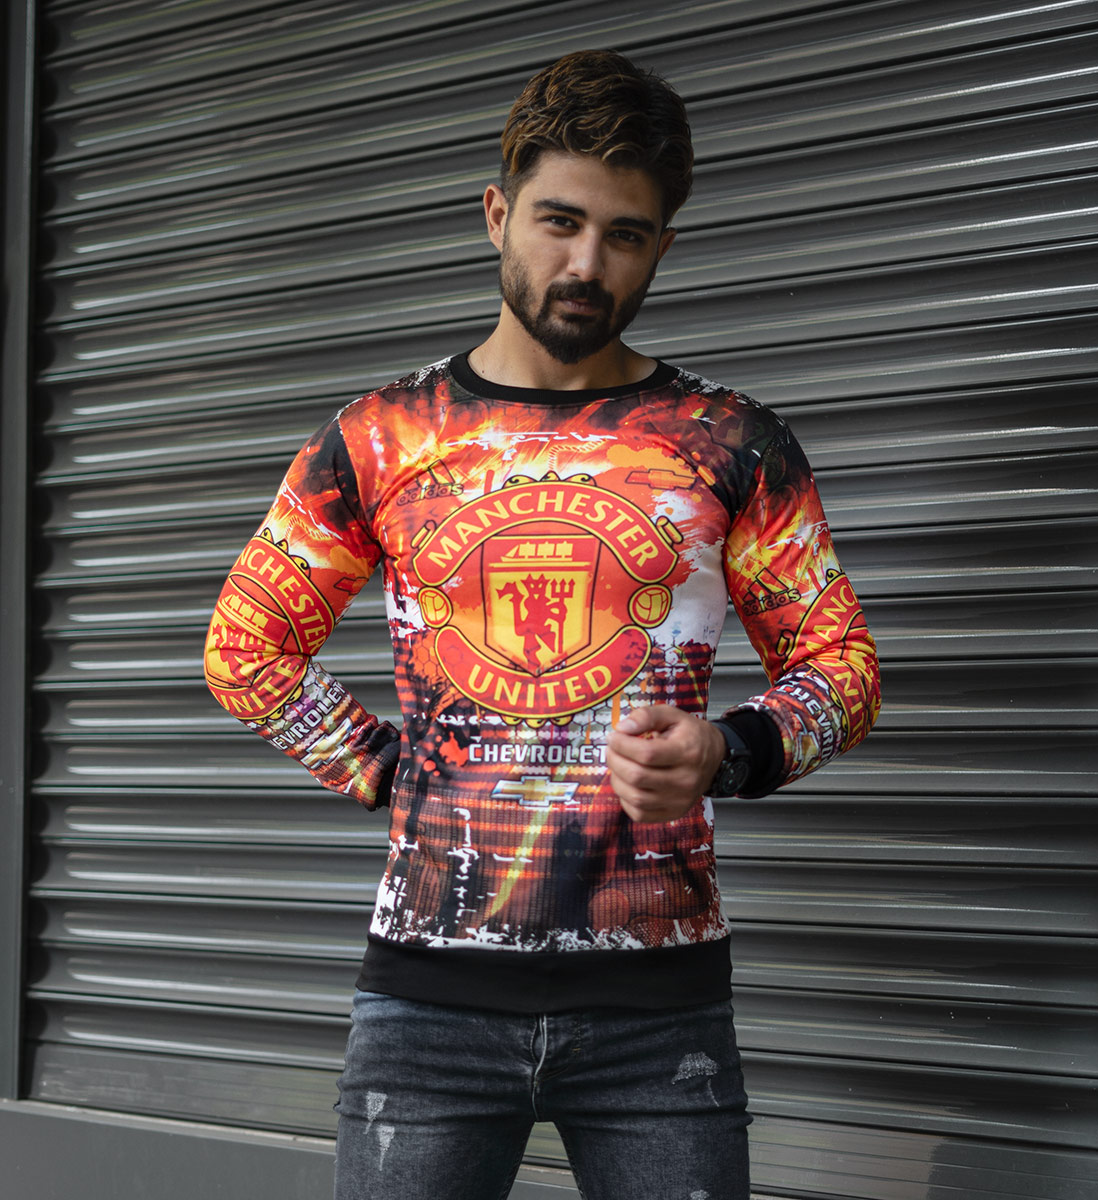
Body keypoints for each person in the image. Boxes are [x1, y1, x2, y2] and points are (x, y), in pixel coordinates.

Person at [204, 48, 881, 1200]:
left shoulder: (729, 441)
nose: (585, 264)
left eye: (625, 235)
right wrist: (390, 770)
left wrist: (729, 749)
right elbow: (244, 647)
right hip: (428, 1003)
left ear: (662, 247)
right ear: (496, 213)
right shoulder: (382, 437)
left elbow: (843, 668)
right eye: (559, 221)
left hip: (658, 1008)